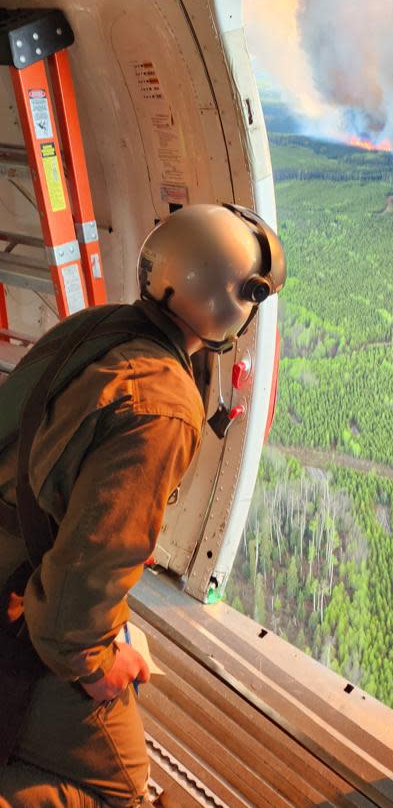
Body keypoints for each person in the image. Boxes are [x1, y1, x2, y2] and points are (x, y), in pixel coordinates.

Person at [0, 204, 286, 806]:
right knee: (121, 788)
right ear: (231, 300)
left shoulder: (95, 327)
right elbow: (80, 589)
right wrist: (99, 664)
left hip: (15, 563)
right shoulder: (163, 405)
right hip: (23, 598)